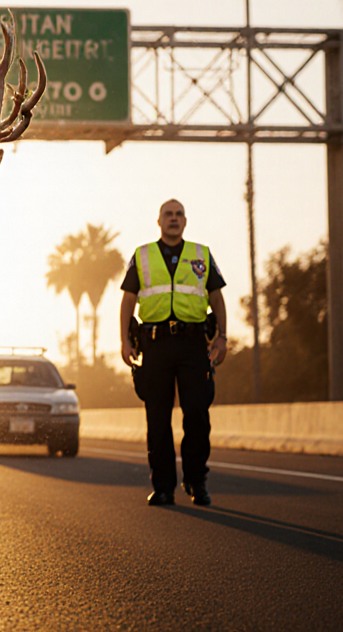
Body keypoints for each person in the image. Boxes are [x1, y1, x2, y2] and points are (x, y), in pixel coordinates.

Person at [119, 199, 227, 507]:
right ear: (159, 221)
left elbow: (216, 298)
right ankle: (163, 486)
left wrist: (222, 337)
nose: (174, 219)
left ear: (185, 221)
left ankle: (196, 481)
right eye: (169, 214)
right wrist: (125, 341)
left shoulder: (201, 255)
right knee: (157, 418)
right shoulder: (142, 256)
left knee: (196, 414)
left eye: (179, 214)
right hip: (155, 345)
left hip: (194, 345)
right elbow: (128, 301)